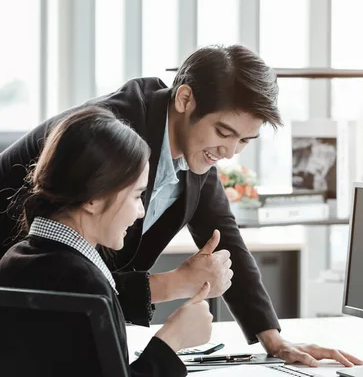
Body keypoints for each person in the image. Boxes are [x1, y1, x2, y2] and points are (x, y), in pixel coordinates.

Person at [0, 44, 362, 367]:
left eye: (244, 141)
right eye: (223, 133)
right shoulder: (111, 137)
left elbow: (226, 239)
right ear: (185, 99)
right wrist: (173, 289)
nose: (230, 152)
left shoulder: (196, 152)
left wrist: (273, 338)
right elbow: (65, 278)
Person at [0, 108, 214, 376]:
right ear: (94, 197)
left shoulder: (14, 259)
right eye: (137, 196)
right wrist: (172, 340)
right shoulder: (83, 282)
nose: (141, 212)